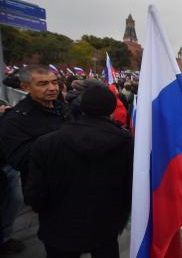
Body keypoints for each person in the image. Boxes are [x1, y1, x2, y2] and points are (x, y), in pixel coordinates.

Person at [25, 85, 133, 258]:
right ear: (113, 109)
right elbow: (130, 189)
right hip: (107, 224)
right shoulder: (128, 144)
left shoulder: (45, 143)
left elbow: (35, 194)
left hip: (58, 225)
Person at [0, 65, 71, 254]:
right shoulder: (15, 120)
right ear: (25, 87)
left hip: (75, 185)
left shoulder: (62, 108)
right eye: (43, 84)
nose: (52, 88)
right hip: (48, 192)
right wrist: (64, 144)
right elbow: (21, 160)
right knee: (59, 243)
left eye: (54, 82)